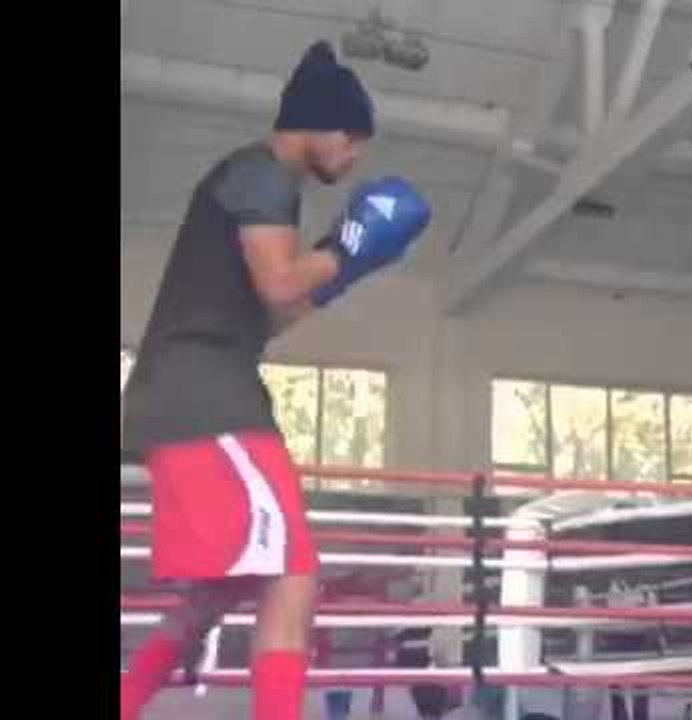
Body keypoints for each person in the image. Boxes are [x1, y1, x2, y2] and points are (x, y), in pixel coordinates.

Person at [120, 41, 431, 720]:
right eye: (350, 141)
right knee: (293, 576)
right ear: (320, 126)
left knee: (215, 594)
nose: (352, 160)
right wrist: (344, 245)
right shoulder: (262, 176)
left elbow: (273, 313)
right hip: (206, 399)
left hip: (192, 394)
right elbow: (281, 279)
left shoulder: (256, 183)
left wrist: (347, 267)